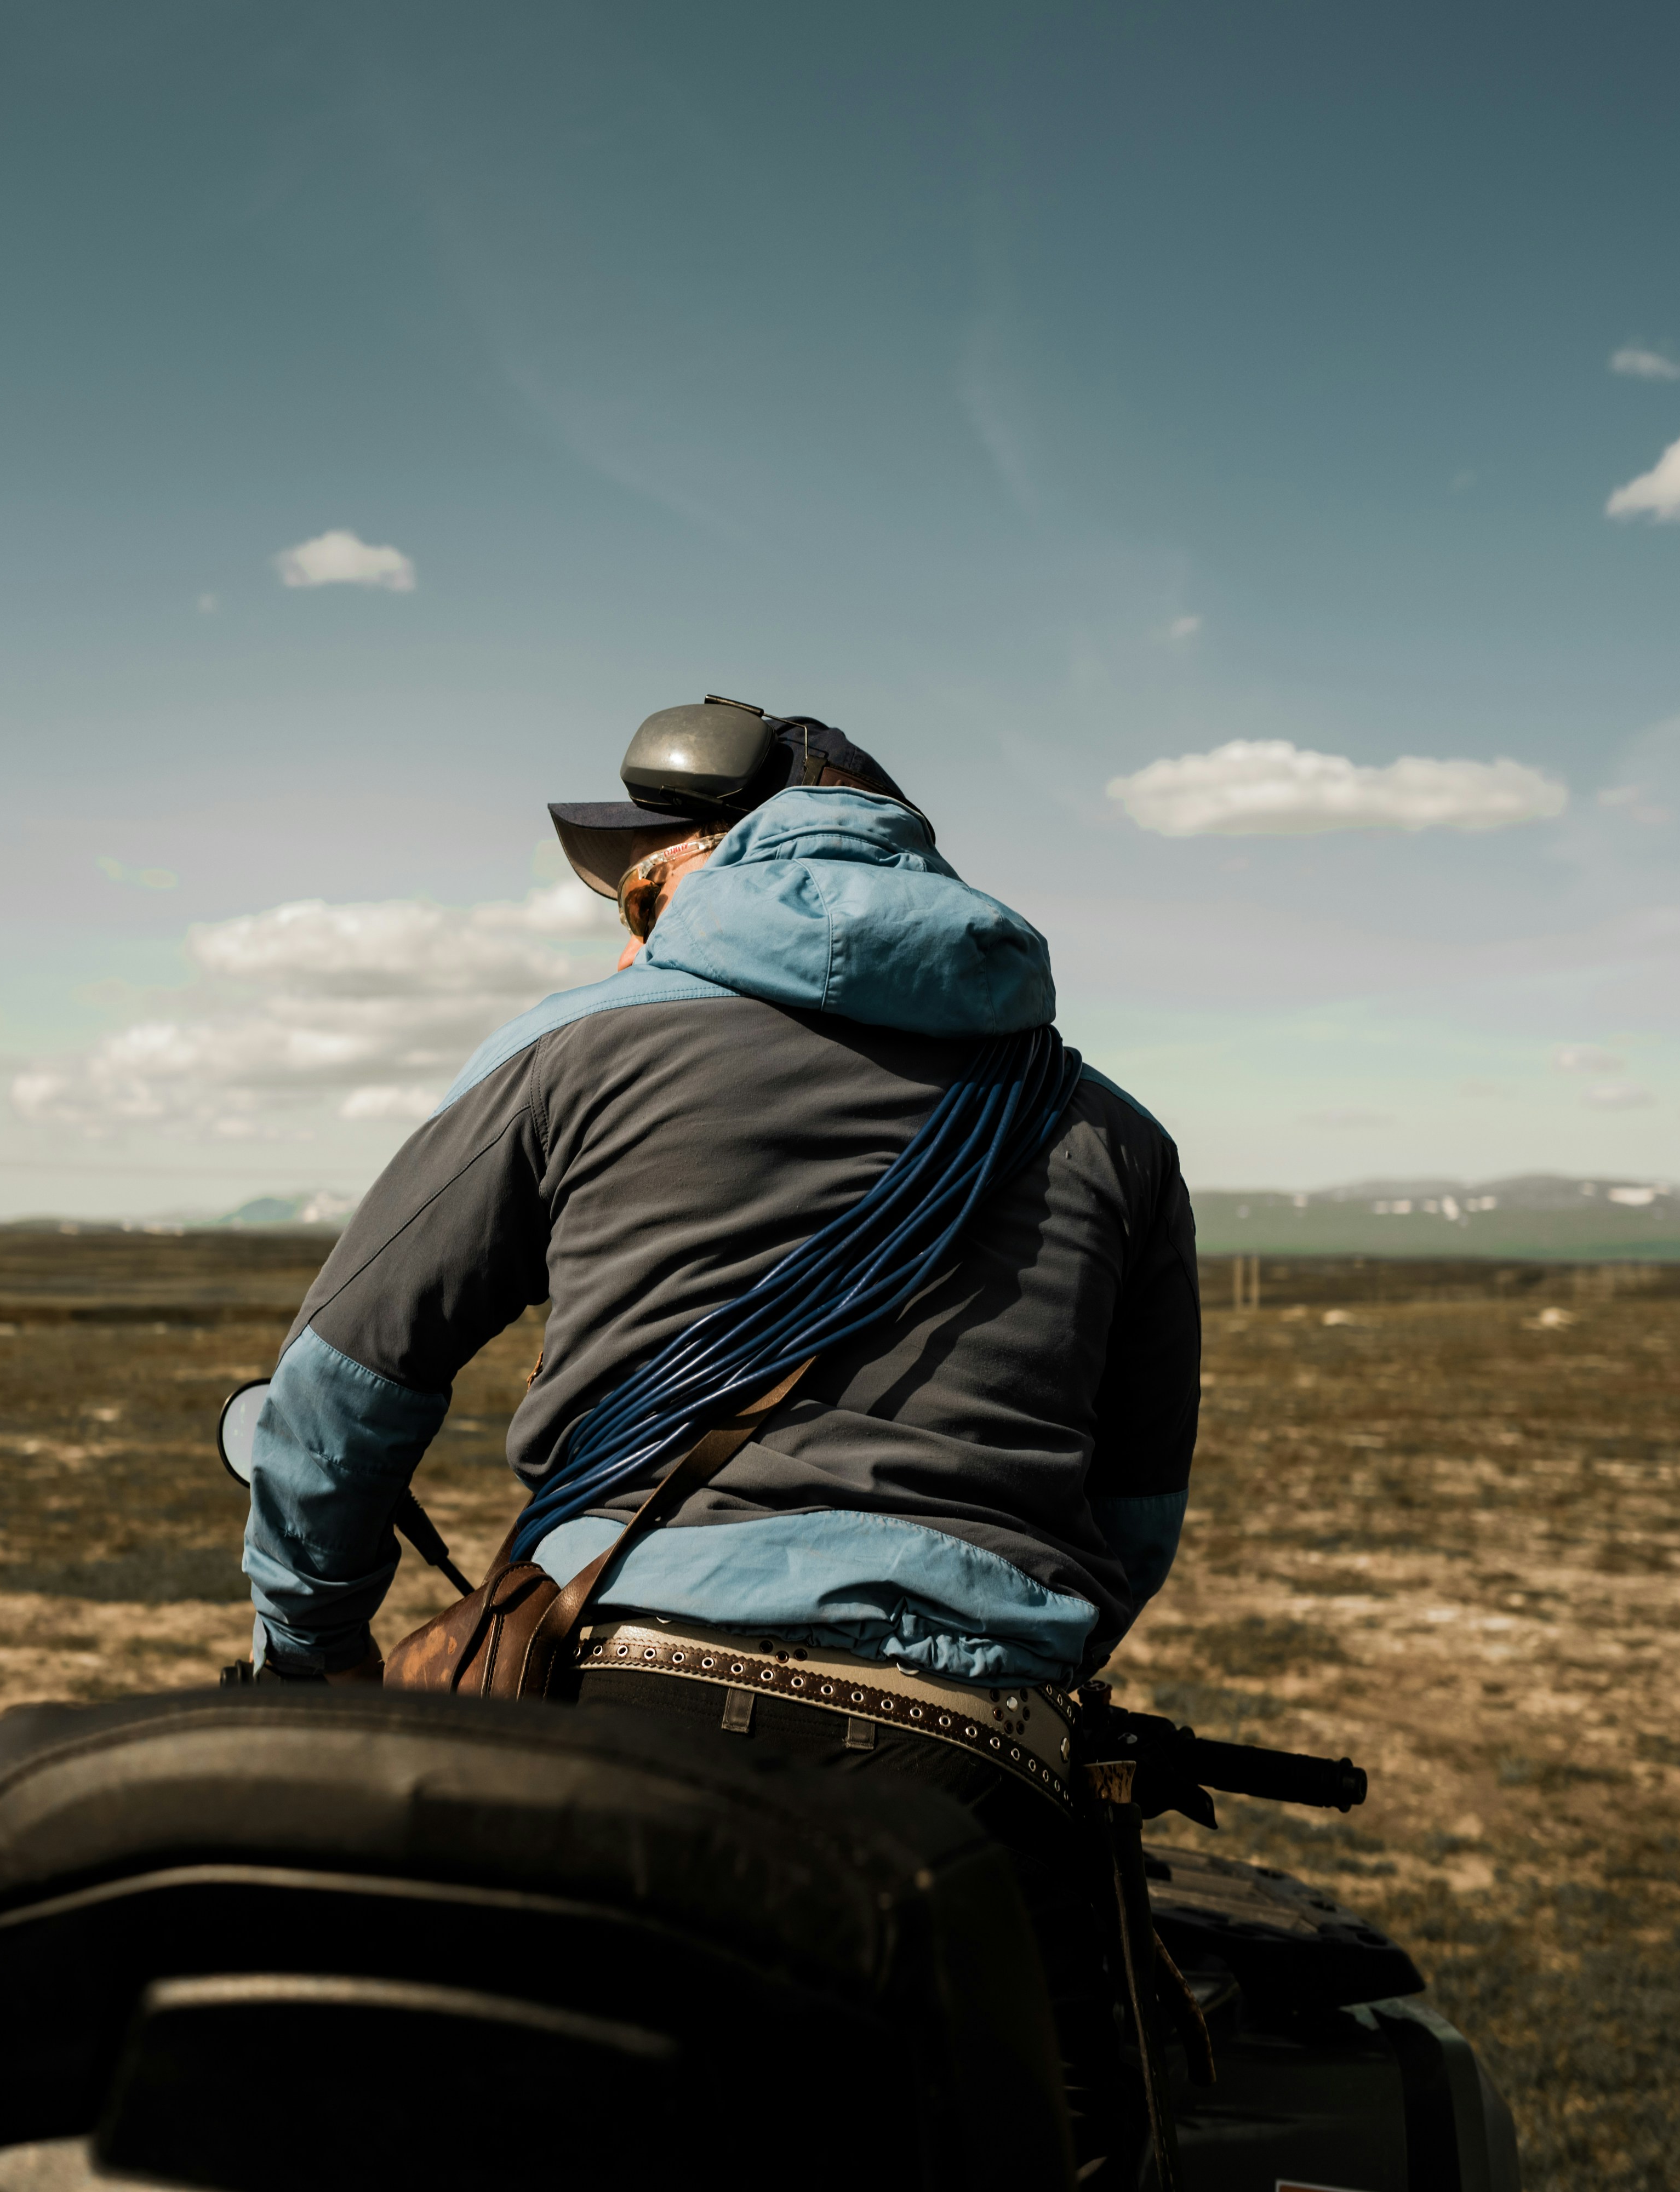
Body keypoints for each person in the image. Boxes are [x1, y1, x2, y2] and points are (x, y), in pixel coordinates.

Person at [241, 697, 1199, 2176]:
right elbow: (1130, 1528)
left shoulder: (575, 1046)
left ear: (685, 872)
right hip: (977, 1771)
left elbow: (336, 1396)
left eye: (629, 892)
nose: (622, 936)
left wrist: (308, 1648)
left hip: (624, 1717)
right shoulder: (1114, 1132)